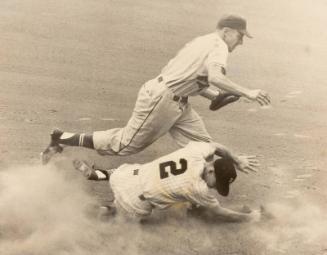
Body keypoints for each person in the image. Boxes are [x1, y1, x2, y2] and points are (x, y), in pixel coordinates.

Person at [41, 14, 270, 164]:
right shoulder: (219, 46)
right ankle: (61, 138)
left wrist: (212, 95)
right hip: (161, 101)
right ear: (227, 31)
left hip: (175, 101)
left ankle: (194, 199)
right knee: (124, 145)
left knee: (204, 148)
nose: (240, 42)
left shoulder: (201, 41)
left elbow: (183, 73)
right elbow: (215, 76)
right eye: (240, 36)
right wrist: (247, 92)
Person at [73, 141, 263, 222]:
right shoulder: (198, 189)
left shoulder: (195, 153)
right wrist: (250, 218)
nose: (214, 187)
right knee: (115, 209)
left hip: (131, 175)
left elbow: (215, 146)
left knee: (118, 174)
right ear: (211, 169)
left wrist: (236, 159)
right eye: (217, 182)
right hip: (136, 200)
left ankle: (97, 174)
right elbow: (221, 213)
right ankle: (95, 211)